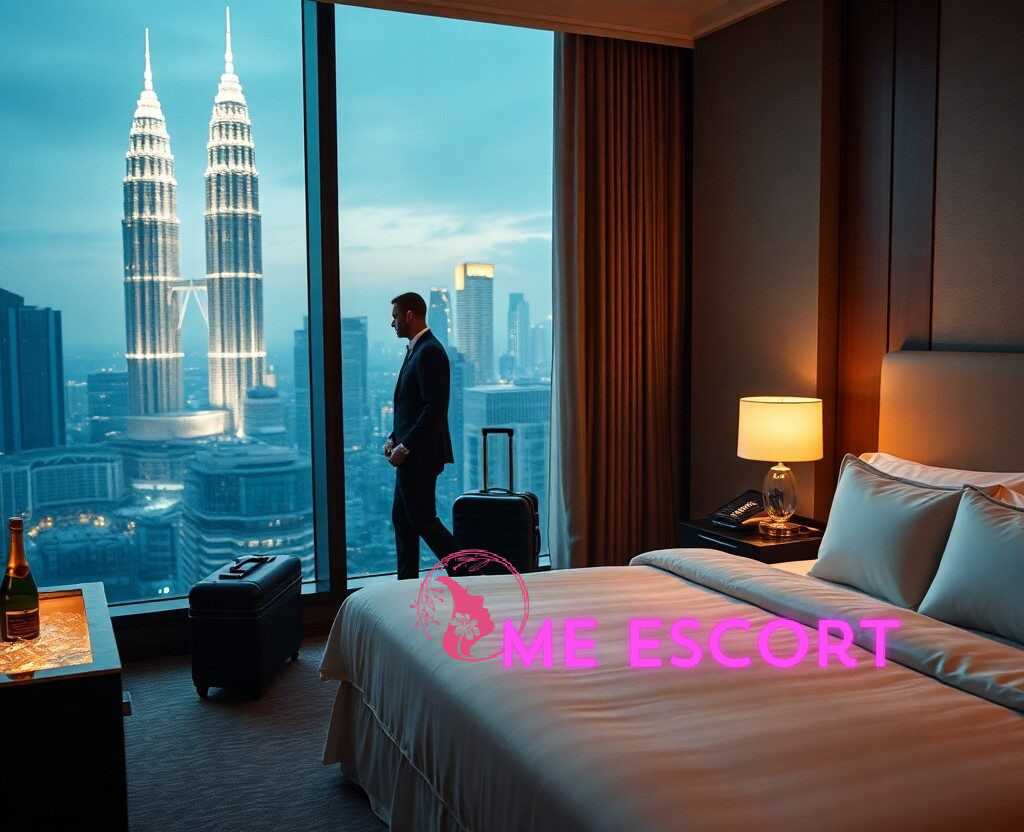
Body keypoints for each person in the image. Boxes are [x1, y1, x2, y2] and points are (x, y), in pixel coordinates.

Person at [384, 292, 459, 579]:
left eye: (394, 316)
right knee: (403, 520)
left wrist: (406, 445)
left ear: (409, 315)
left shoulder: (429, 351)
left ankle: (468, 572)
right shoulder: (417, 349)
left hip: (420, 455)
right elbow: (411, 405)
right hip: (410, 454)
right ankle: (407, 584)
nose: (392, 323)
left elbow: (435, 407)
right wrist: (394, 437)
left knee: (422, 520)